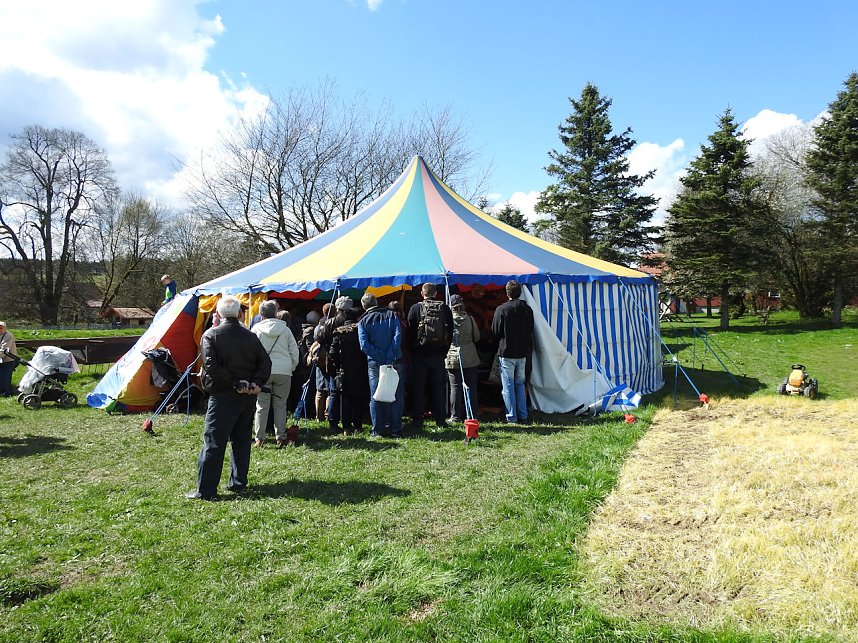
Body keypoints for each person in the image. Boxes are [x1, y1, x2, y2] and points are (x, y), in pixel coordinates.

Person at [187, 296, 271, 500]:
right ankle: (238, 482)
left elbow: (211, 366)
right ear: (240, 314)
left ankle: (206, 490)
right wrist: (255, 382)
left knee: (214, 442)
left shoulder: (211, 335)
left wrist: (236, 383)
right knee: (241, 441)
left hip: (223, 395)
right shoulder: (251, 336)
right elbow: (265, 363)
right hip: (246, 396)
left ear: (218, 314)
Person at [251, 301, 299, 447]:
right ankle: (281, 437)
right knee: (280, 405)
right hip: (283, 370)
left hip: (263, 372)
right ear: (275, 313)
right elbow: (294, 351)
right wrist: (291, 367)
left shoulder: (256, 329)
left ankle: (259, 438)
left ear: (261, 314)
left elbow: (251, 352)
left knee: (261, 405)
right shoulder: (285, 330)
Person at [406, 283, 453, 429]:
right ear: (436, 293)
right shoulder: (444, 308)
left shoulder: (415, 308)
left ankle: (417, 419)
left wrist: (413, 350)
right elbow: (450, 331)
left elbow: (409, 332)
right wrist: (444, 351)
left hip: (419, 353)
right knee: (438, 387)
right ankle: (440, 419)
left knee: (419, 387)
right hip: (438, 354)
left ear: (422, 293)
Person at [359, 292, 405, 437]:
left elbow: (364, 345)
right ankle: (396, 429)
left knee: (376, 395)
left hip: (375, 362)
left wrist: (380, 357)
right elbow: (398, 336)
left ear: (363, 306)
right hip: (395, 360)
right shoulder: (392, 315)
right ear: (376, 302)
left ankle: (377, 430)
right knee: (396, 395)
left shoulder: (363, 321)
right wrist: (389, 356)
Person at [491, 280, 534, 424]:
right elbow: (531, 329)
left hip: (507, 351)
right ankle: (523, 415)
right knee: (520, 384)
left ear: (507, 293)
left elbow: (495, 331)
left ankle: (511, 416)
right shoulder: (527, 309)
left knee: (508, 386)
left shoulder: (502, 309)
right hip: (522, 352)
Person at [327, 306, 369, 434]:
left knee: (345, 398)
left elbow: (332, 352)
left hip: (344, 369)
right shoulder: (361, 330)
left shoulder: (339, 332)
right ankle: (357, 425)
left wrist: (337, 365)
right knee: (359, 398)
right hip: (360, 368)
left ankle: (346, 426)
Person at [445, 294, 481, 422]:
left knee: (455, 388)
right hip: (470, 357)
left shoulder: (447, 321)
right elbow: (477, 337)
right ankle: (472, 414)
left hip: (453, 357)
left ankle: (455, 416)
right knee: (471, 387)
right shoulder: (470, 319)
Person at [0, 321, 18, 397]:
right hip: (1, 360)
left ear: (5, 328)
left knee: (4, 377)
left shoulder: (8, 336)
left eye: (1, 328)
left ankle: (7, 393)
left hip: (9, 360)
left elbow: (4, 350)